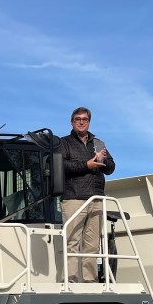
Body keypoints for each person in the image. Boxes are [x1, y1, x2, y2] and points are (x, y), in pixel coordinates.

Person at [59, 106, 115, 283]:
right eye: (78, 119)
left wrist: (103, 161)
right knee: (72, 243)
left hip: (96, 199)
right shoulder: (64, 143)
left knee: (92, 246)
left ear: (89, 122)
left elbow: (111, 168)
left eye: (84, 119)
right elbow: (61, 166)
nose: (81, 122)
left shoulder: (98, 143)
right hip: (73, 198)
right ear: (72, 122)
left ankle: (91, 281)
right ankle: (71, 281)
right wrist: (86, 165)